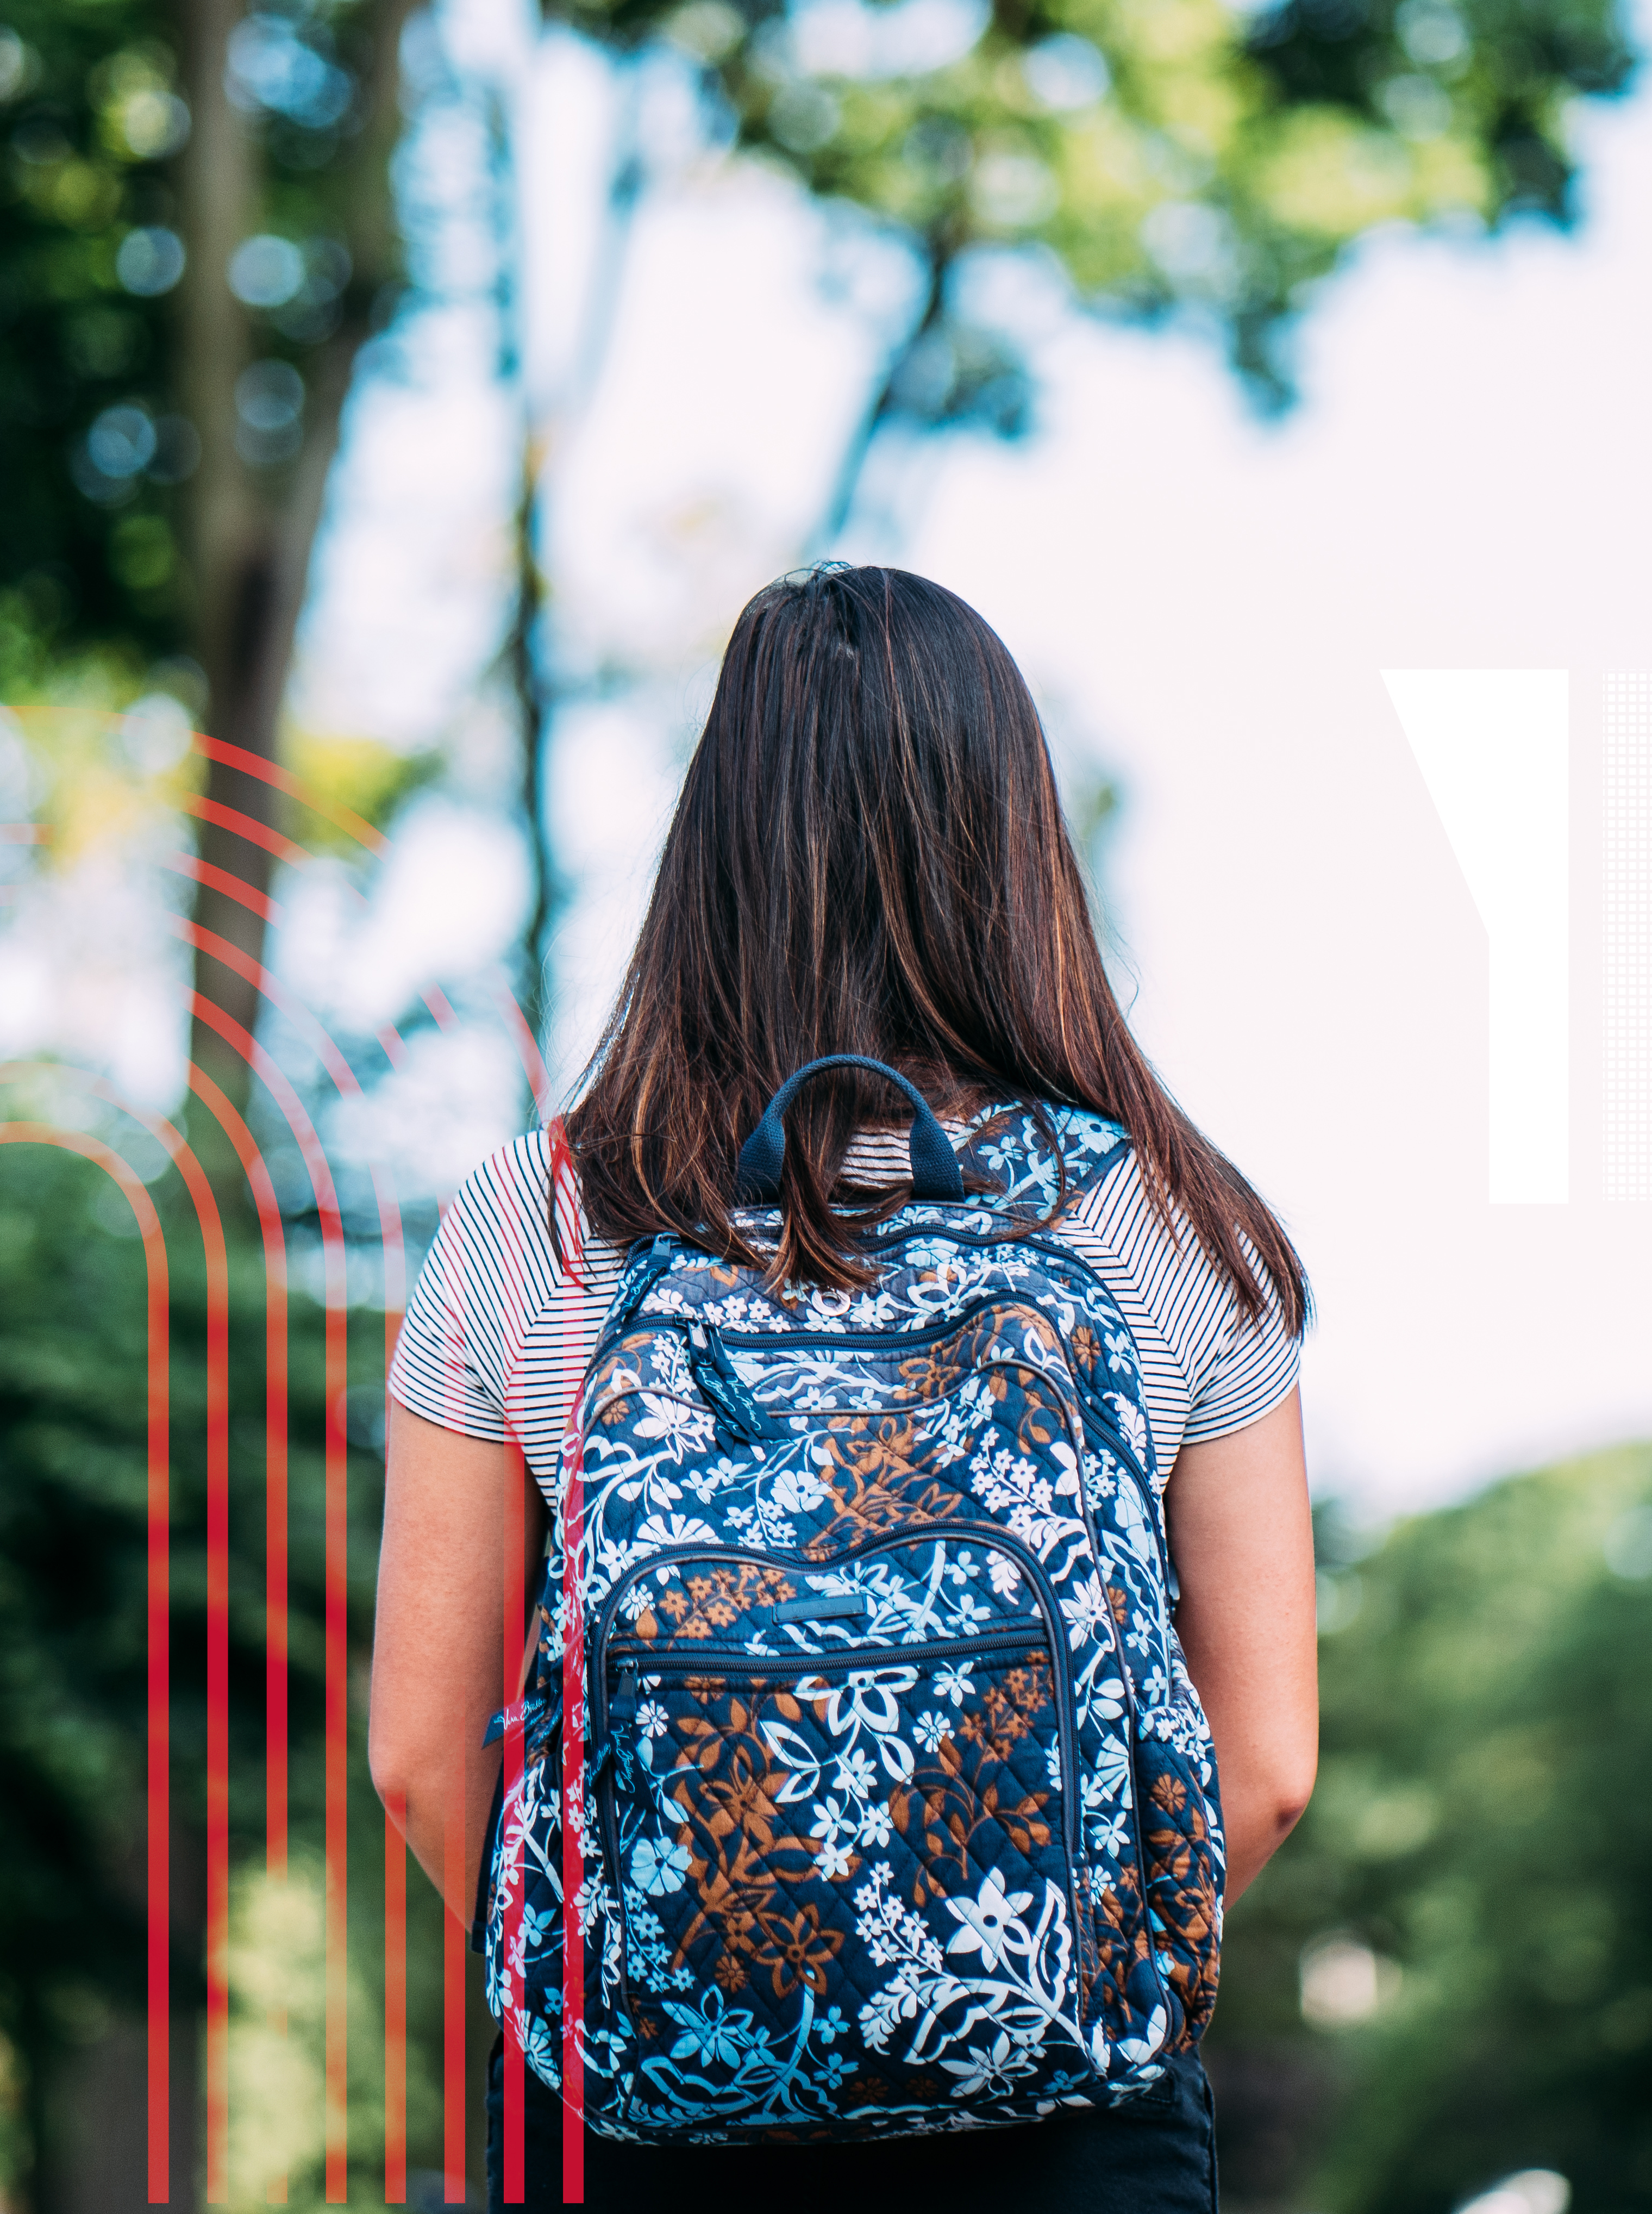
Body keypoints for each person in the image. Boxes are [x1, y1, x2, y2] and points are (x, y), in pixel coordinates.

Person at [366, 563, 1320, 2211]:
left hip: (645, 2136)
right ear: (1012, 844)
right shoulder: (1158, 1217)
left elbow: (415, 1754)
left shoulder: (534, 1219)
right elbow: (1272, 1761)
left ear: (710, 847)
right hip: (1064, 2144)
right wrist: (1045, 1982)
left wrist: (653, 1994)